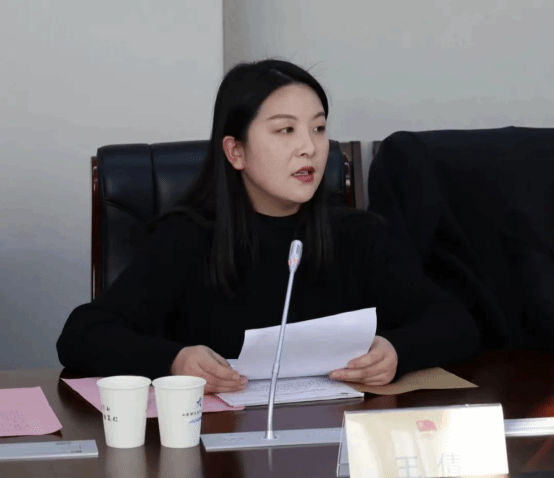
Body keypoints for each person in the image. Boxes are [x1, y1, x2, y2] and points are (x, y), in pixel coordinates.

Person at [56, 59, 481, 394]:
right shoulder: (187, 236)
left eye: (318, 128)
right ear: (236, 151)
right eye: (285, 130)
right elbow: (81, 336)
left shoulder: (358, 235)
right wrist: (174, 360)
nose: (309, 147)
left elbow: (456, 322)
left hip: (335, 442)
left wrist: (397, 350)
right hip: (220, 447)